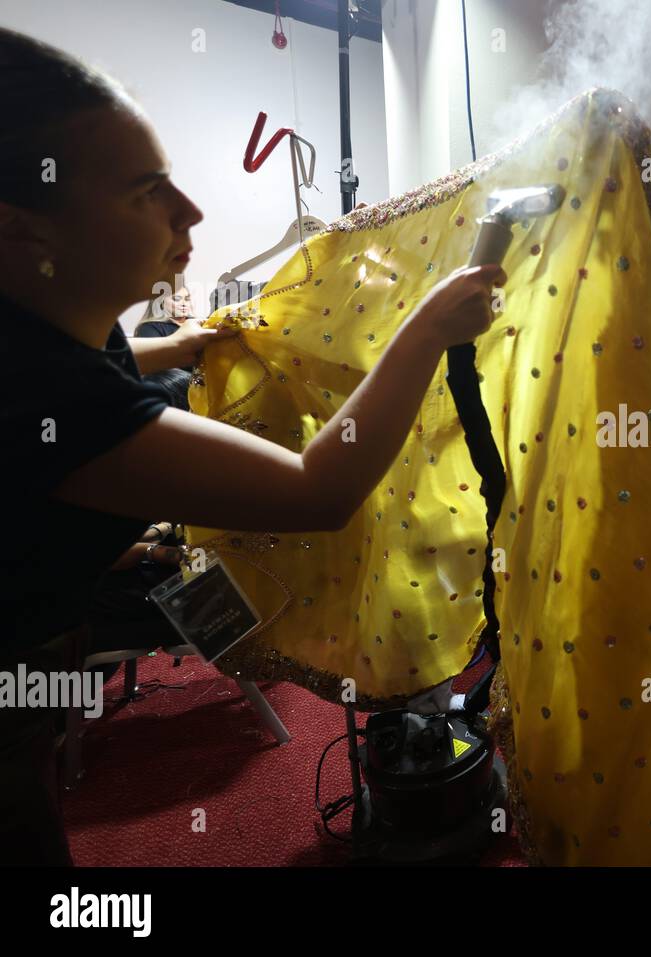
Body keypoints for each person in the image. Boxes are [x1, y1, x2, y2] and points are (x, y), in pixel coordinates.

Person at [0, 28, 504, 864]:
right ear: (23, 234)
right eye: (144, 192)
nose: (191, 211)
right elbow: (317, 487)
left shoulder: (48, 333)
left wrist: (196, 342)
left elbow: (121, 357)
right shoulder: (40, 397)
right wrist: (426, 326)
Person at [133, 284, 197, 409]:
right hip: (178, 392)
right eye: (176, 299)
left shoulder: (199, 325)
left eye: (187, 299)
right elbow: (156, 370)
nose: (184, 304)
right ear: (160, 302)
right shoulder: (150, 327)